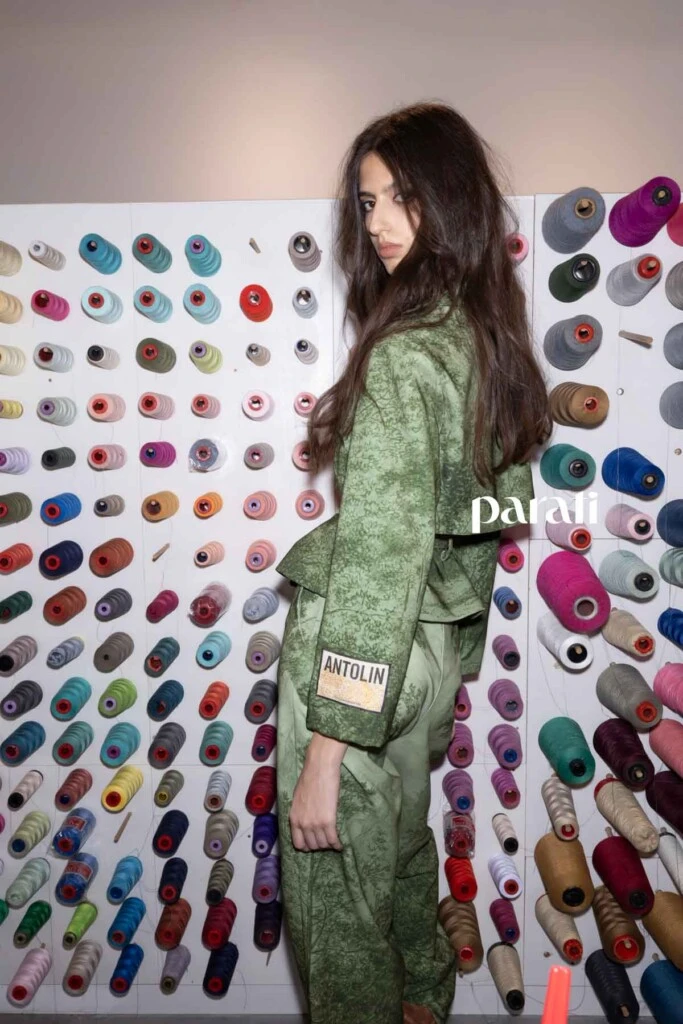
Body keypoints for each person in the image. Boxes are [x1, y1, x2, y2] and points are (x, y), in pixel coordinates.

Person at [274, 102, 552, 1024]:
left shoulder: (403, 359)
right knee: (398, 860)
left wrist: (328, 746)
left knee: (337, 911)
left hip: (358, 666)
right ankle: (425, 1001)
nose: (381, 223)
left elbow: (379, 558)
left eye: (404, 197)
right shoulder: (490, 349)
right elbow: (489, 524)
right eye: (367, 203)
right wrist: (449, 667)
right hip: (425, 661)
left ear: (452, 200)